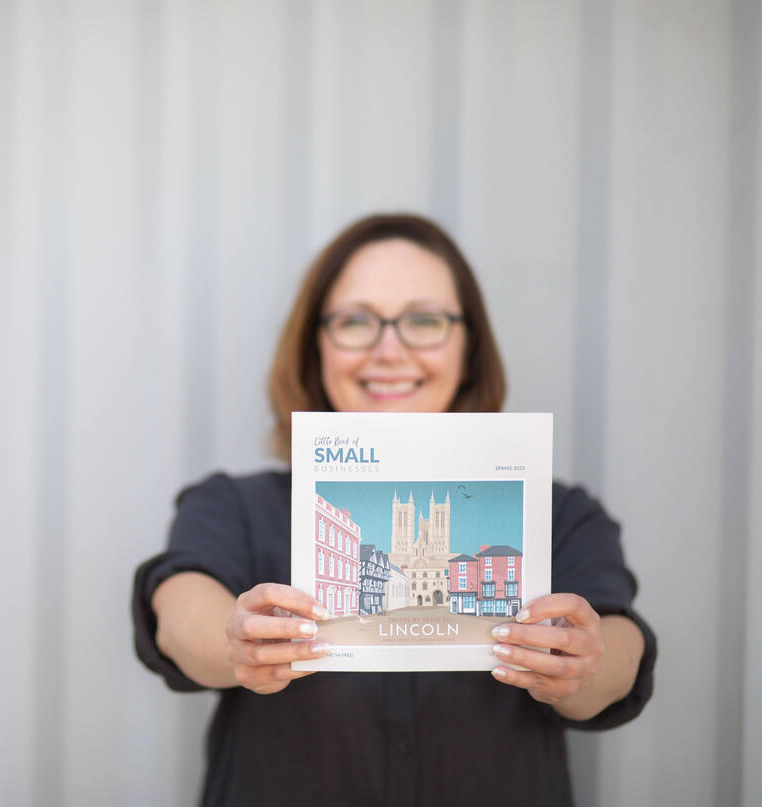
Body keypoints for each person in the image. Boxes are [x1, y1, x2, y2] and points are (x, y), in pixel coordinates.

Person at [131, 214, 657, 806]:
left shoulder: (561, 514)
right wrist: (234, 641)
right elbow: (177, 609)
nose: (389, 350)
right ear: (315, 344)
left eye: (423, 321)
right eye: (356, 322)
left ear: (469, 346)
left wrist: (587, 662)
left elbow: (621, 645)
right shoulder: (232, 505)